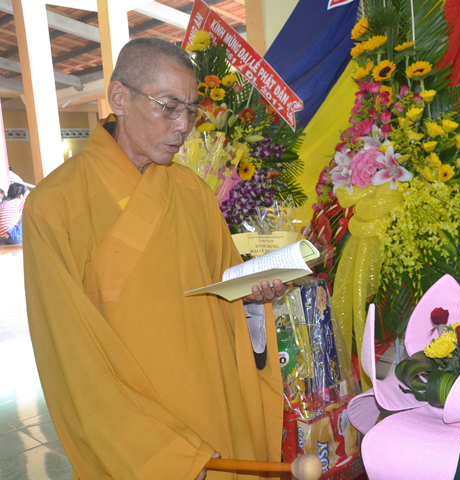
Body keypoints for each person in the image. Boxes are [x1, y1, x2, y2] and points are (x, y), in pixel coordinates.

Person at [23, 38, 288, 480]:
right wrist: (164, 455)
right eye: (169, 107)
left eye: (191, 111)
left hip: (216, 416)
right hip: (138, 446)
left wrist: (252, 297)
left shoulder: (192, 192)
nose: (183, 126)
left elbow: (223, 296)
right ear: (119, 98)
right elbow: (71, 361)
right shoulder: (54, 207)